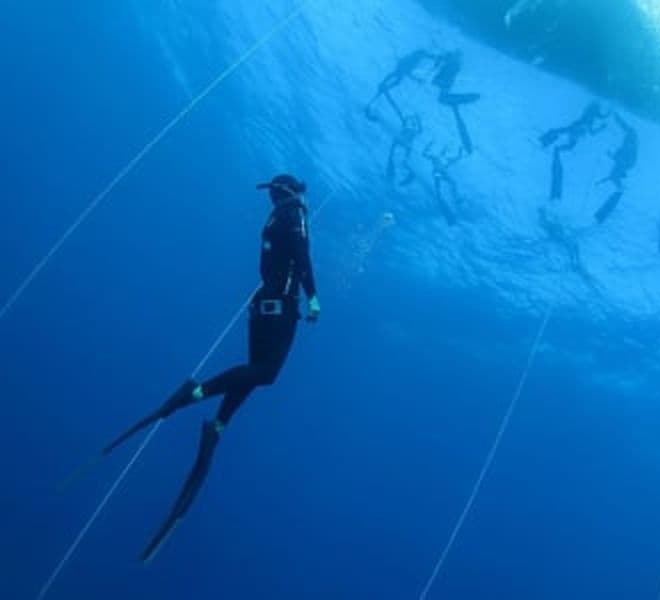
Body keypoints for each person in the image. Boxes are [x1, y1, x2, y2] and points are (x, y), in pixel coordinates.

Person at [101, 174, 321, 562]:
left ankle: (217, 425)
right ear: (292, 193)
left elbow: (279, 260)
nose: (271, 196)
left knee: (254, 368)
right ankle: (196, 394)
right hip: (279, 309)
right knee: (266, 373)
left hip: (260, 309)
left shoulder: (273, 219)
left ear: (276, 192)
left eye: (272, 191)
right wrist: (314, 297)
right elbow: (302, 257)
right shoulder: (294, 214)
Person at [539, 102, 610, 200]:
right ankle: (548, 141)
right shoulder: (589, 116)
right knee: (565, 136)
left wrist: (603, 122)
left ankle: (549, 141)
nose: (598, 113)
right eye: (597, 111)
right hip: (577, 129)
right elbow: (597, 122)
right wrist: (604, 122)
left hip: (577, 130)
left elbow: (597, 121)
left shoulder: (590, 115)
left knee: (567, 140)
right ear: (595, 110)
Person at [365, 49, 439, 122]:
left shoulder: (411, 59)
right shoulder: (411, 62)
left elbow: (402, 72)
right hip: (391, 80)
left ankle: (372, 106)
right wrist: (416, 79)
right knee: (387, 89)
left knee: (390, 86)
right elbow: (407, 72)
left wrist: (434, 57)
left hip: (391, 79)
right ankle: (371, 106)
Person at [431, 51, 481, 154]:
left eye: (455, 56)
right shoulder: (453, 62)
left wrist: (439, 78)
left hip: (445, 83)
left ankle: (466, 98)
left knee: (443, 99)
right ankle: (464, 99)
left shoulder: (455, 64)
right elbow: (442, 61)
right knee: (443, 99)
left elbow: (447, 72)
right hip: (445, 82)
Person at [595, 113, 638, 223]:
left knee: (614, 176)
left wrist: (614, 156)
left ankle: (618, 191)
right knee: (614, 177)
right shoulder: (630, 137)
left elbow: (624, 159)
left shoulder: (630, 144)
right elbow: (625, 126)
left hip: (625, 162)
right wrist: (616, 116)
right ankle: (618, 189)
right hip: (624, 163)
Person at [423, 142, 464, 225]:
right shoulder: (435, 157)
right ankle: (439, 195)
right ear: (441, 151)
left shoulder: (448, 159)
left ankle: (456, 198)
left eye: (446, 150)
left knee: (453, 183)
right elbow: (424, 154)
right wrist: (428, 145)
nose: (444, 151)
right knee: (438, 181)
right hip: (437, 172)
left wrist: (461, 149)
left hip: (444, 173)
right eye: (444, 150)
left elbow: (459, 157)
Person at [386, 114, 422, 186]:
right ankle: (394, 174)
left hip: (403, 147)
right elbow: (405, 123)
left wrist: (417, 119)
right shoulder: (409, 130)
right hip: (403, 146)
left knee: (397, 160)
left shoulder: (410, 130)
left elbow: (419, 130)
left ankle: (410, 174)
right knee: (397, 160)